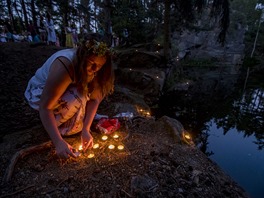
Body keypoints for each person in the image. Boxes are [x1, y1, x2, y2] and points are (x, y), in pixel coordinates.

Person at [24, 33, 115, 159]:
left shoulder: (96, 70)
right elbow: (46, 107)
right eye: (91, 62)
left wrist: (86, 130)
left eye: (99, 65)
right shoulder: (66, 65)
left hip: (64, 91)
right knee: (79, 95)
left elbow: (95, 99)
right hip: (39, 94)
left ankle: (71, 118)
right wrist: (58, 142)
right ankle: (59, 126)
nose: (94, 68)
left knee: (84, 93)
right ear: (82, 56)